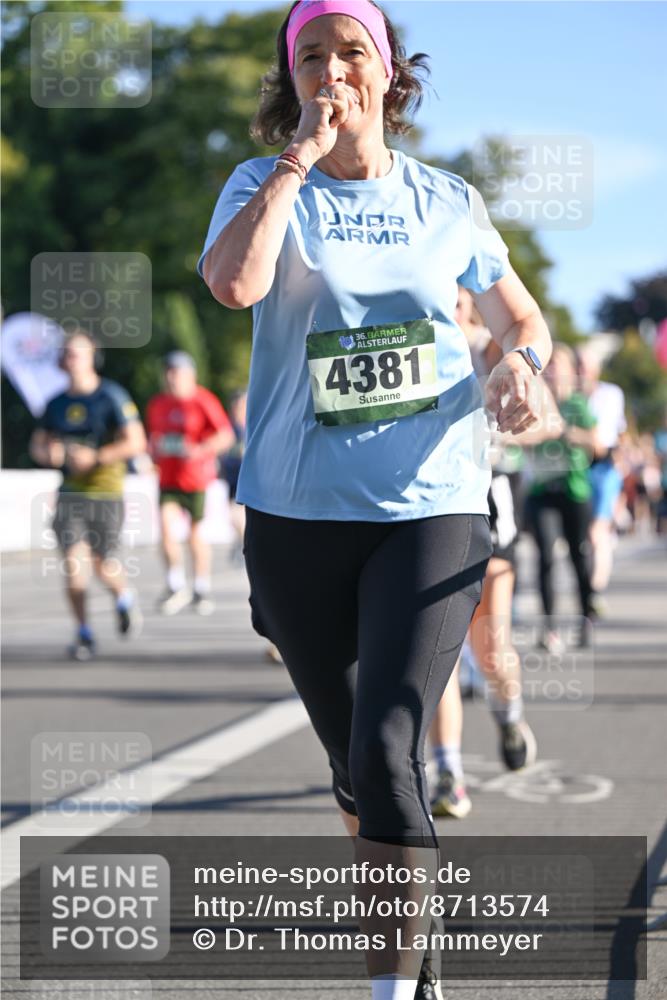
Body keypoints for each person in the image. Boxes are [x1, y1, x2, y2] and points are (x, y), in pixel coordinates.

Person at [200, 3, 552, 998]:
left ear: (389, 73)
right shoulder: (260, 184)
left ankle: (390, 986)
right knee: (354, 766)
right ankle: (418, 948)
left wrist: (524, 364)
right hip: (294, 512)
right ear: (291, 79)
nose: (331, 67)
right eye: (309, 55)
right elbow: (233, 286)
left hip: (431, 503)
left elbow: (519, 315)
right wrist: (296, 162)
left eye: (351, 49)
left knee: (392, 744)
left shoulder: (446, 199)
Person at [430, 291, 563, 820]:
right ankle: (448, 771)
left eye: (461, 298)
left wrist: (509, 425)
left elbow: (549, 421)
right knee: (436, 648)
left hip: (488, 513)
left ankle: (507, 712)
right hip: (429, 508)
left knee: (491, 646)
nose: (453, 307)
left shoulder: (493, 352)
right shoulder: (416, 343)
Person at [29, 328, 145, 660]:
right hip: (70, 493)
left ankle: (124, 597)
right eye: (66, 354)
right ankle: (83, 632)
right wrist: (46, 454)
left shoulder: (111, 396)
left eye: (76, 353)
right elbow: (39, 442)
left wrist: (96, 457)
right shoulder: (56, 403)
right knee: (72, 562)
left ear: (92, 357)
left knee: (102, 563)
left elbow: (136, 442)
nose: (70, 359)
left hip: (106, 493)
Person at [146, 351, 235, 615]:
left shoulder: (203, 400)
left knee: (195, 534)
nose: (172, 378)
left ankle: (200, 587)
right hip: (167, 478)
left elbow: (225, 436)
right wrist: (155, 450)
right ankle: (175, 584)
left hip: (195, 479)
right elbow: (153, 440)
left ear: (190, 375)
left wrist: (199, 450)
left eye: (178, 372)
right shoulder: (158, 404)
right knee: (165, 529)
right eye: (169, 372)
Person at [525, 343, 599, 651]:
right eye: (549, 365)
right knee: (545, 555)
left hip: (574, 490)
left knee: (578, 557)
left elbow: (596, 444)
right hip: (542, 491)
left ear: (571, 372)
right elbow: (521, 439)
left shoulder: (578, 405)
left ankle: (584, 618)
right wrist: (539, 433)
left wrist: (564, 431)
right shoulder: (535, 401)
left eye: (559, 365)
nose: (553, 370)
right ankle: (549, 628)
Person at [575, 346, 626, 611]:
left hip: (604, 466)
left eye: (586, 364)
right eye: (578, 364)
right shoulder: (572, 395)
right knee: (585, 534)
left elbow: (617, 430)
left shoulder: (611, 394)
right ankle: (589, 585)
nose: (582, 369)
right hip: (578, 467)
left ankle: (594, 590)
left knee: (598, 530)